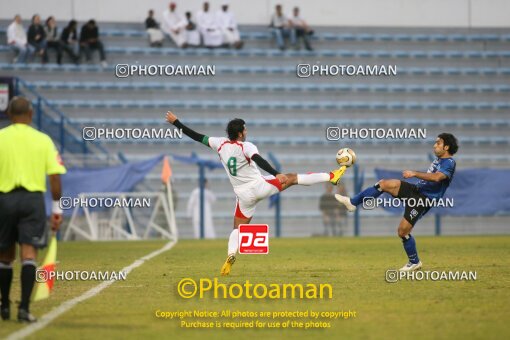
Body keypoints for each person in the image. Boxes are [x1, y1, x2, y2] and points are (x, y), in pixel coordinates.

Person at [165, 111, 347, 276]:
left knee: (237, 229)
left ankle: (230, 256)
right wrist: (277, 174)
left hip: (243, 196)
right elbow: (259, 160)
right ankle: (331, 176)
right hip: (260, 186)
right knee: (292, 178)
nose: (246, 131)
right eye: (245, 129)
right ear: (240, 133)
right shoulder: (246, 146)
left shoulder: (219, 144)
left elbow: (196, 136)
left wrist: (176, 123)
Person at [336, 133, 458, 272]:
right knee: (384, 184)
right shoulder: (439, 160)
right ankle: (353, 202)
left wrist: (414, 173)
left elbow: (437, 177)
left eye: (438, 143)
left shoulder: (449, 162)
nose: (434, 145)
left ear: (446, 147)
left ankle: (414, 262)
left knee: (402, 231)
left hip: (424, 199)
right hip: (416, 190)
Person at [0, 96, 66, 322]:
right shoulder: (43, 140)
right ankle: (24, 309)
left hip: (4, 199)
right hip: (32, 201)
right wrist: (57, 209)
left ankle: (4, 306)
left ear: (8, 115)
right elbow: (55, 177)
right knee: (28, 255)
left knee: (5, 256)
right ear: (30, 115)